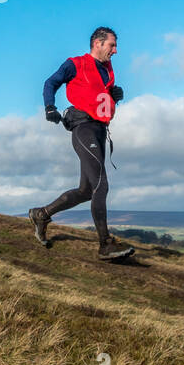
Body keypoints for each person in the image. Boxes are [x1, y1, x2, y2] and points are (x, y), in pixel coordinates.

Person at [28, 27, 133, 260]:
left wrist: (115, 95)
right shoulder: (76, 64)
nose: (115, 51)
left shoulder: (107, 70)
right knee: (101, 185)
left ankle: (41, 214)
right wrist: (49, 107)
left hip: (99, 130)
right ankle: (105, 244)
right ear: (97, 43)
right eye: (112, 45)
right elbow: (50, 82)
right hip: (83, 128)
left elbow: (96, 94)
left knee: (87, 190)